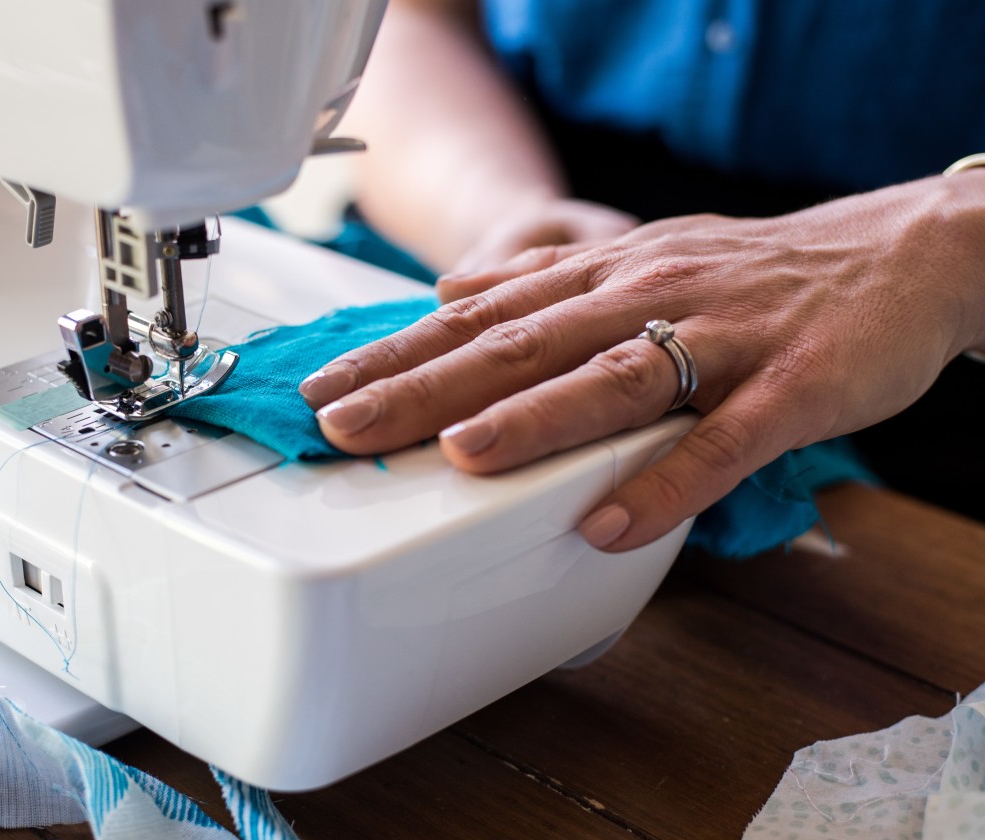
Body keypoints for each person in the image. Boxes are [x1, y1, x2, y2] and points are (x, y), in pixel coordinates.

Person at [299, 0, 985, 553]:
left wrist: (954, 242)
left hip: (934, 305)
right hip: (511, 173)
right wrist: (503, 213)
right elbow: (415, 16)